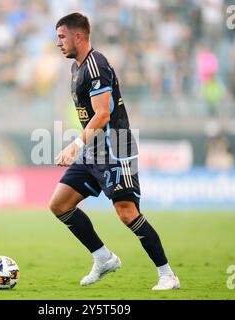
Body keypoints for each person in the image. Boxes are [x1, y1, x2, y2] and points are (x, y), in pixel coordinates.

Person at [50, 12, 179, 290]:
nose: (58, 42)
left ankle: (167, 274)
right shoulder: (77, 68)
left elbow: (103, 115)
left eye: (61, 36)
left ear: (78, 36)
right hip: (94, 151)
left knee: (127, 213)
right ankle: (103, 258)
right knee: (59, 205)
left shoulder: (96, 65)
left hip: (116, 148)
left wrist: (75, 146)